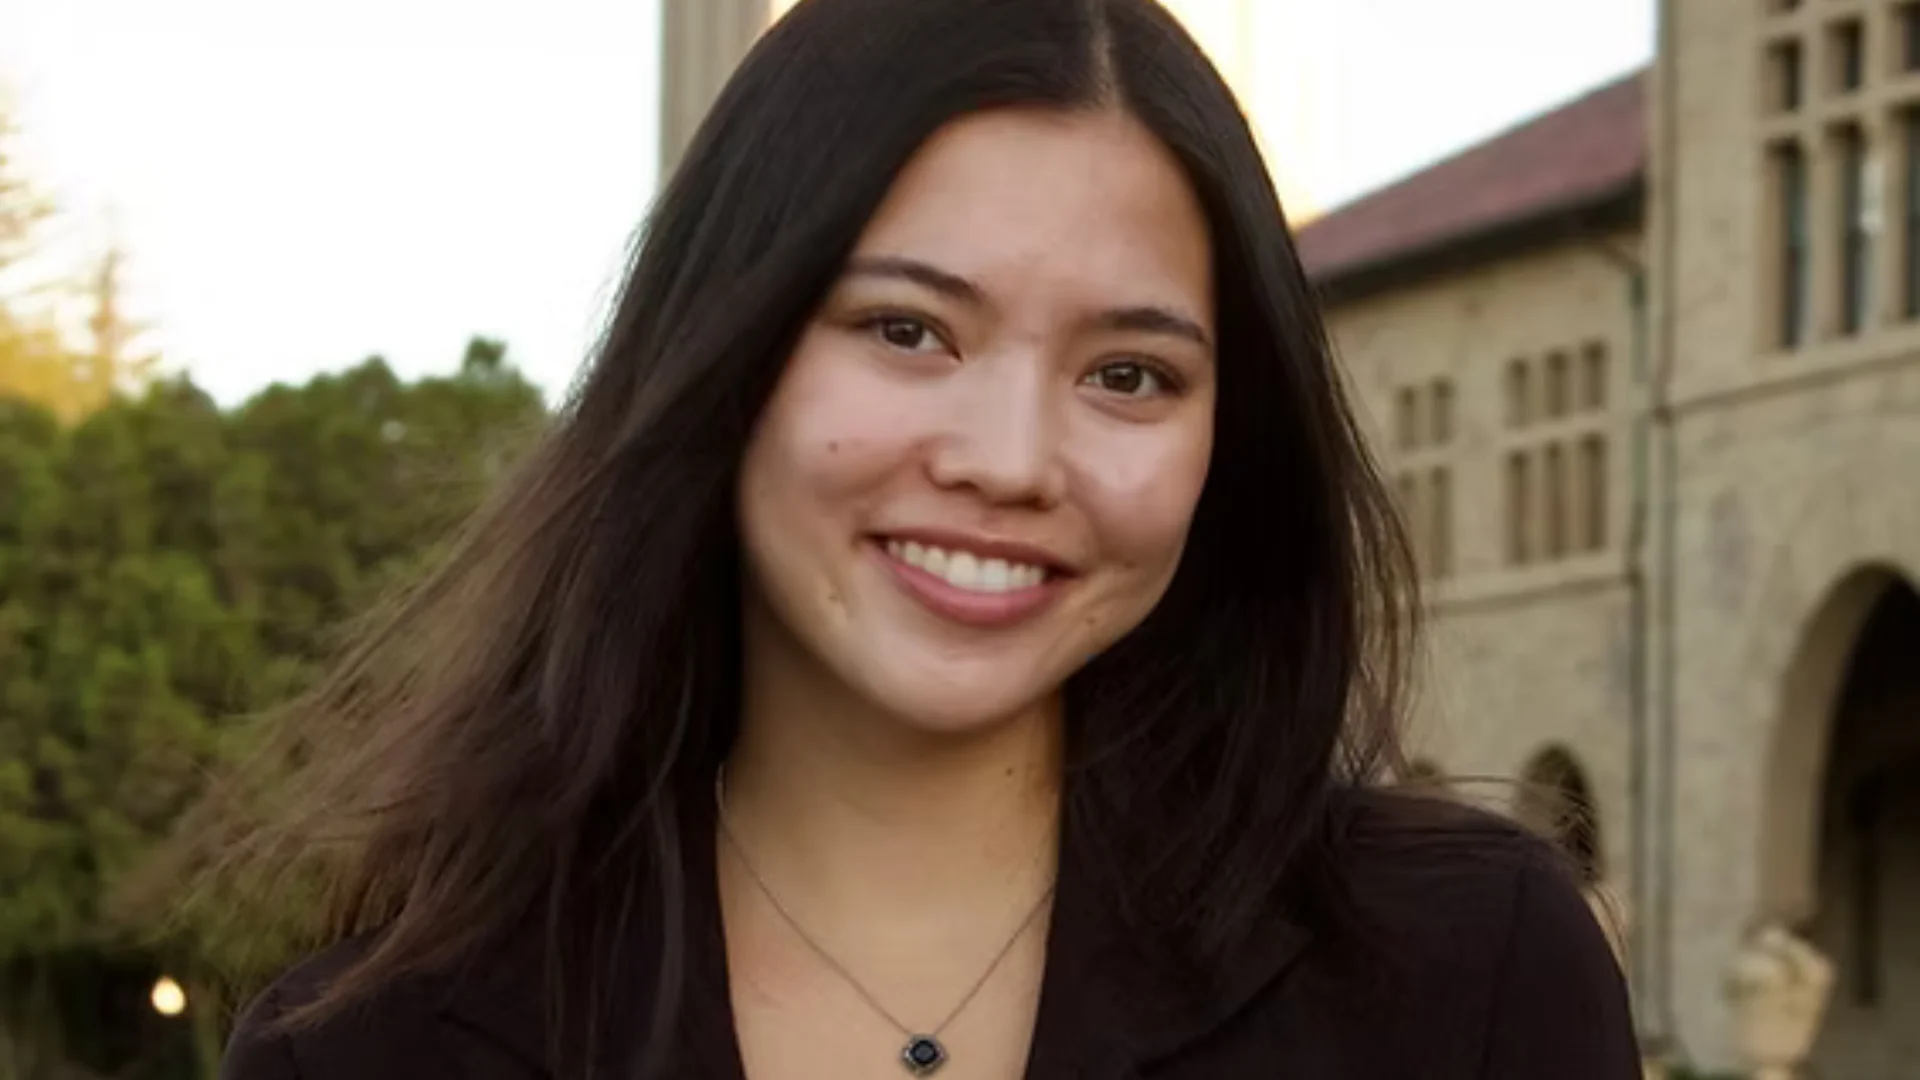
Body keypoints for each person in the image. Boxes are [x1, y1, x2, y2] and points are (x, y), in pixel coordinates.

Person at [209, 0, 1640, 1076]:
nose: (1010, 461)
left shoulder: (1467, 980)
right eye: (907, 331)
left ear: (1228, 441)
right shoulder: (375, 1051)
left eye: (1128, 373)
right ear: (729, 353)